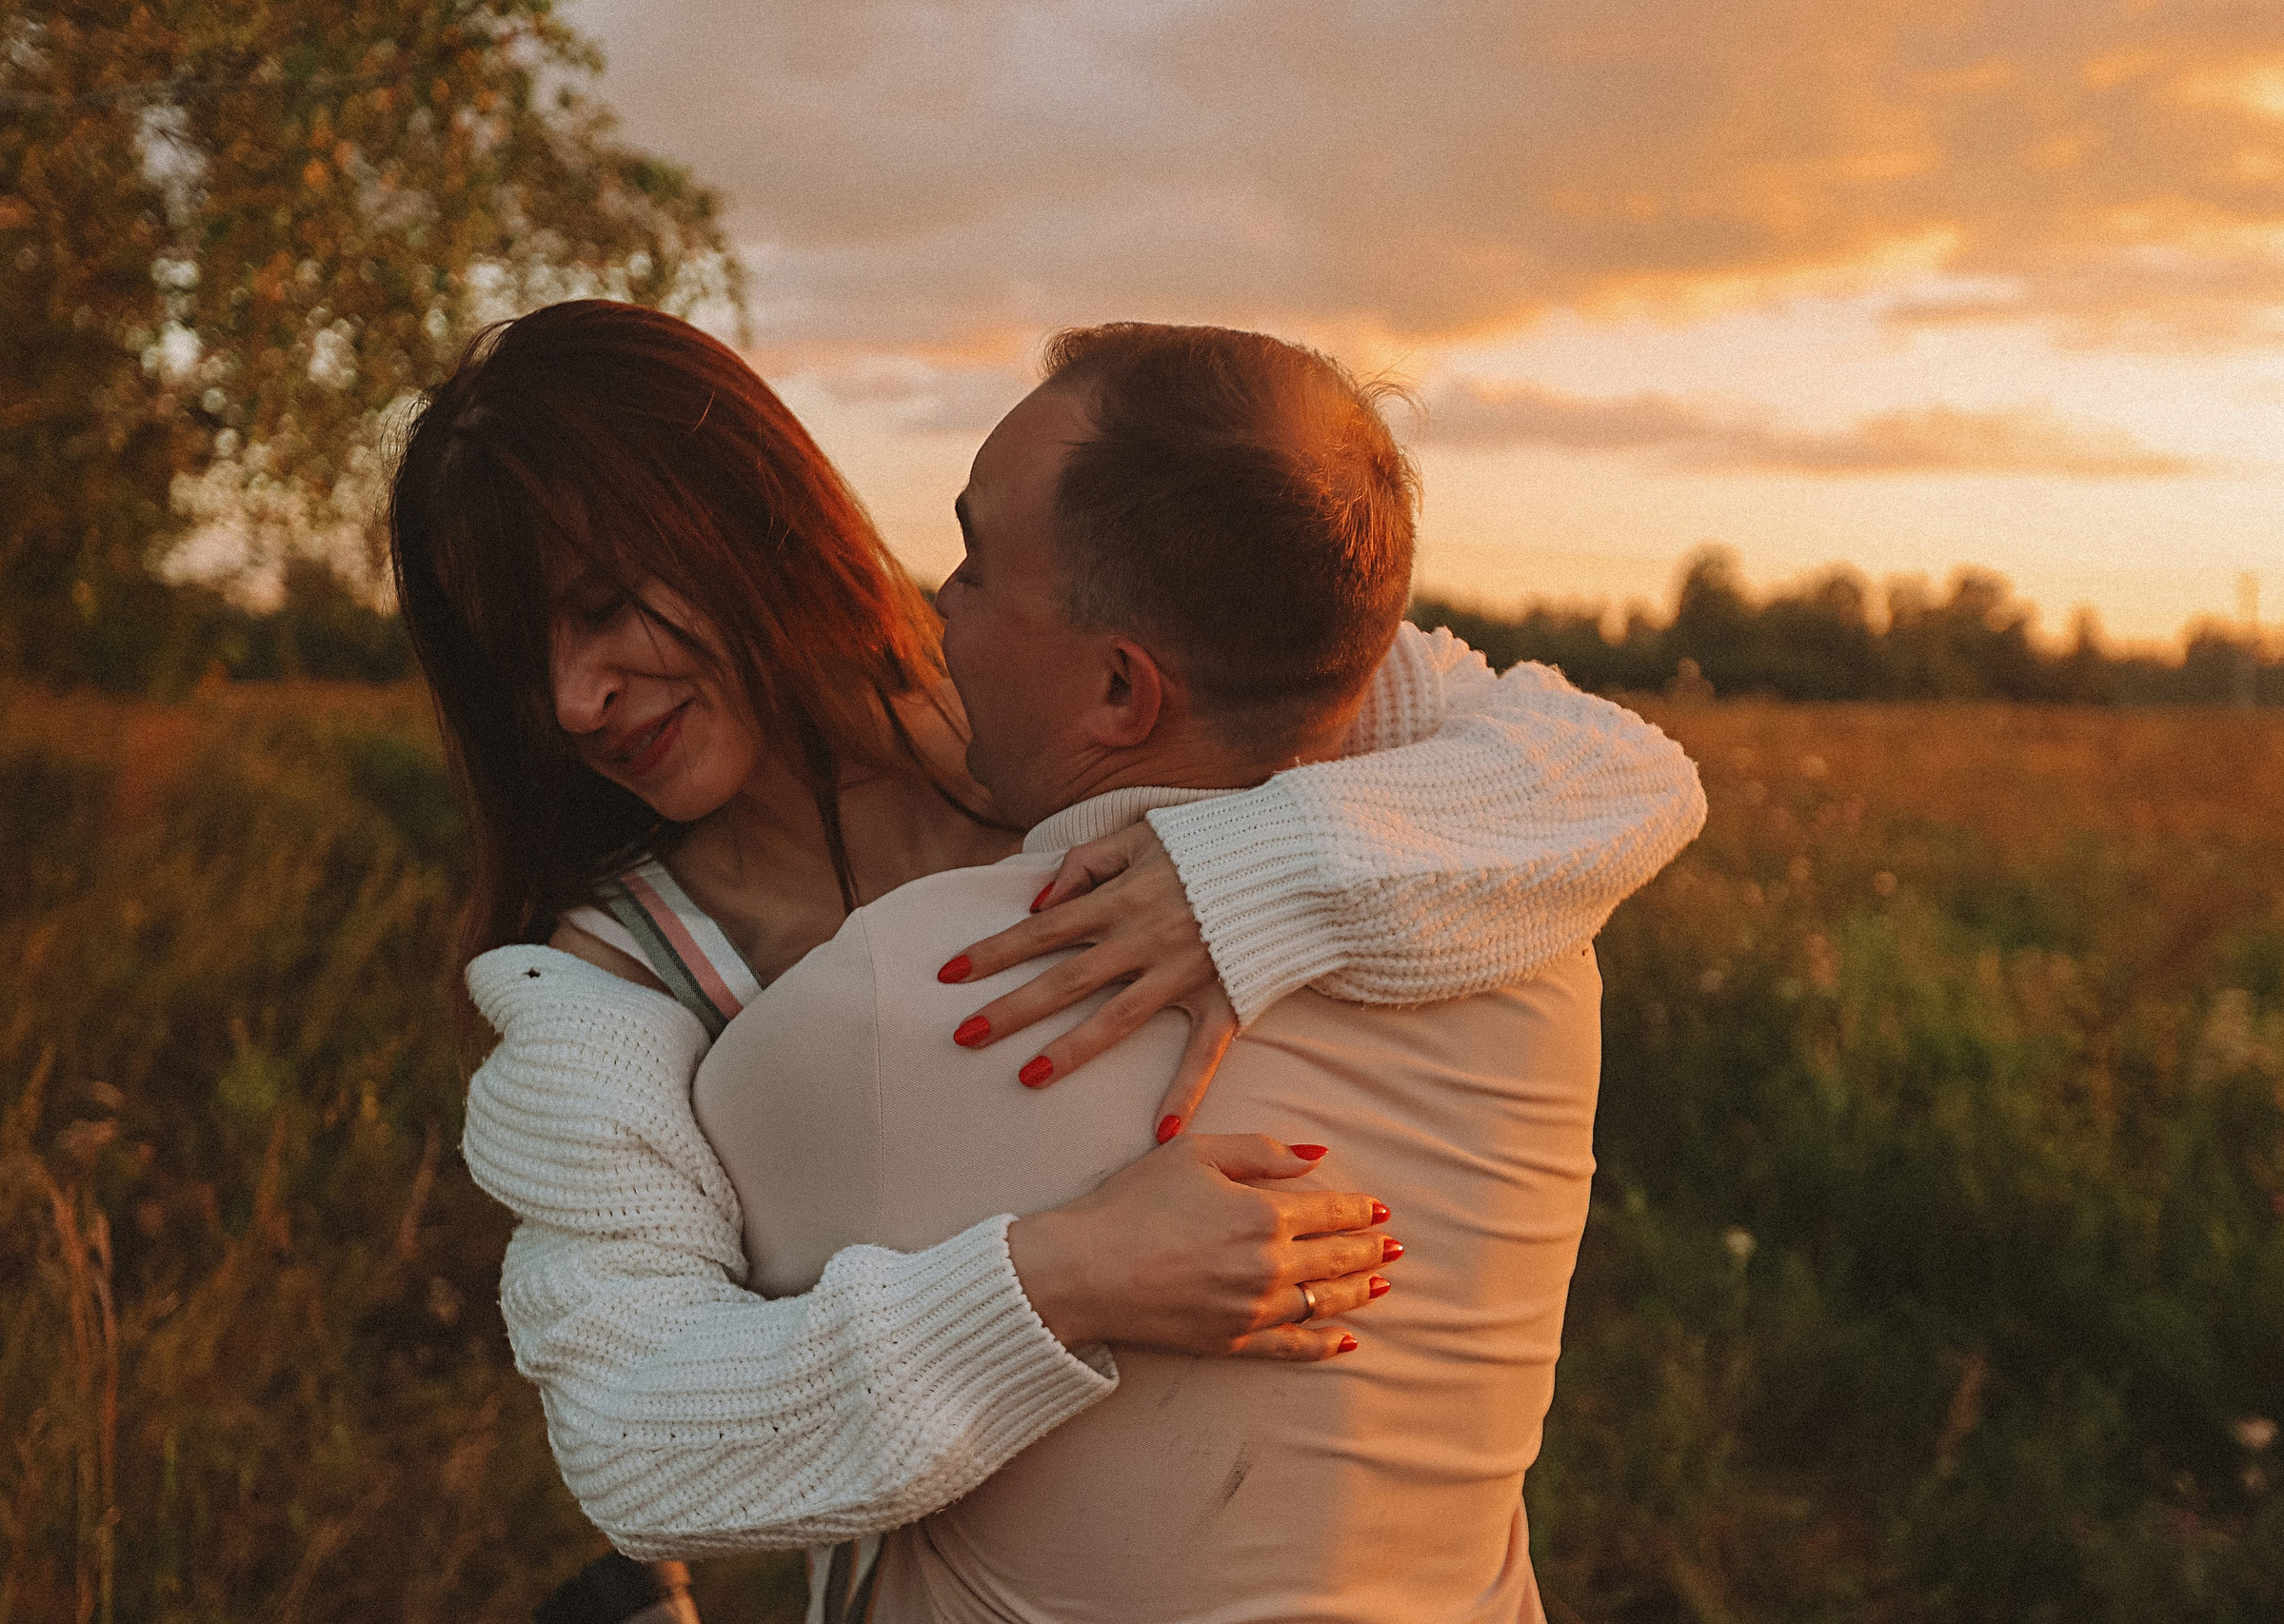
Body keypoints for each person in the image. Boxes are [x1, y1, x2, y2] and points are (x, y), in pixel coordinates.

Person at [387, 302, 1705, 1587]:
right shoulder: (607, 986)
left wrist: (1243, 873)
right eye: (522, 656)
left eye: (608, 606)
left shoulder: (1103, 673)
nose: (571, 699)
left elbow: (1618, 773)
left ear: (738, 521)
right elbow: (631, 1435)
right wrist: (1062, 1276)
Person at [695, 323, 1637, 1620]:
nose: (938, 610)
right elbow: (1493, 707)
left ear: (1121, 690)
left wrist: (569, 994)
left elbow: (669, 1381)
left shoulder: (893, 1008)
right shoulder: (1540, 946)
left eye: (975, 561)